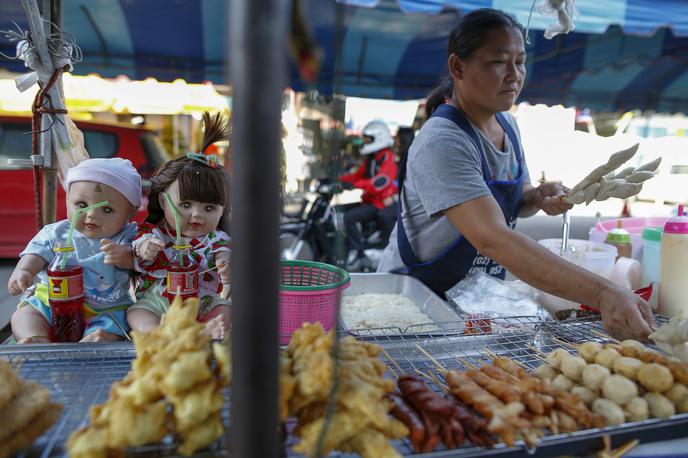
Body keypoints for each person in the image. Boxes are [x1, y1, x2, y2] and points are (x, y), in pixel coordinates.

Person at [377, 8, 653, 340]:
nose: (514, 75)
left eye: (520, 62)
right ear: (457, 67)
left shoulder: (507, 125)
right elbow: (492, 237)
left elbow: (515, 200)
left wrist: (535, 196)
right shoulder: (443, 141)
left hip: (470, 303)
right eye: (498, 62)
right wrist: (604, 293)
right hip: (412, 307)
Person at [9, 158, 142, 343]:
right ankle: (36, 339)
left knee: (110, 330)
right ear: (67, 199)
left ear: (131, 212)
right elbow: (36, 254)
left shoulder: (128, 237)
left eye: (107, 209)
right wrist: (24, 271)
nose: (92, 215)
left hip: (105, 309)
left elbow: (144, 259)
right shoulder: (56, 232)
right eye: (81, 205)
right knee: (25, 315)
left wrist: (128, 257)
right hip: (52, 302)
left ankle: (94, 342)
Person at [128, 112, 231, 340]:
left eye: (210, 208)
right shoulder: (155, 234)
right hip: (158, 302)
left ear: (222, 211)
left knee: (224, 309)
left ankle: (202, 331)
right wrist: (145, 248)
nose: (197, 215)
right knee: (137, 314)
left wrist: (226, 264)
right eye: (185, 204)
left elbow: (225, 252)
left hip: (201, 304)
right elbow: (139, 246)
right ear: (164, 202)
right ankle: (162, 334)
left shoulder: (216, 239)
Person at [340, 120, 398, 268]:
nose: (365, 142)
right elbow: (357, 175)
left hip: (380, 203)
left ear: (379, 138)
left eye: (368, 139)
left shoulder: (388, 158)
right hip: (370, 201)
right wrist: (337, 180)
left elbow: (379, 184)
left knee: (349, 217)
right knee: (340, 211)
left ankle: (359, 253)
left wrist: (353, 185)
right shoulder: (372, 159)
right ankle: (350, 248)